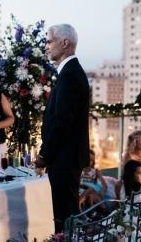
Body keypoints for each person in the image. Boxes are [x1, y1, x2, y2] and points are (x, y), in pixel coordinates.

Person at [36, 24, 90, 233]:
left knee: (63, 217)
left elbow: (62, 123)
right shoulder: (70, 72)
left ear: (65, 43)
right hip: (65, 157)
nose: (46, 46)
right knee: (64, 214)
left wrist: (44, 155)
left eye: (49, 41)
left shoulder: (70, 75)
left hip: (64, 158)